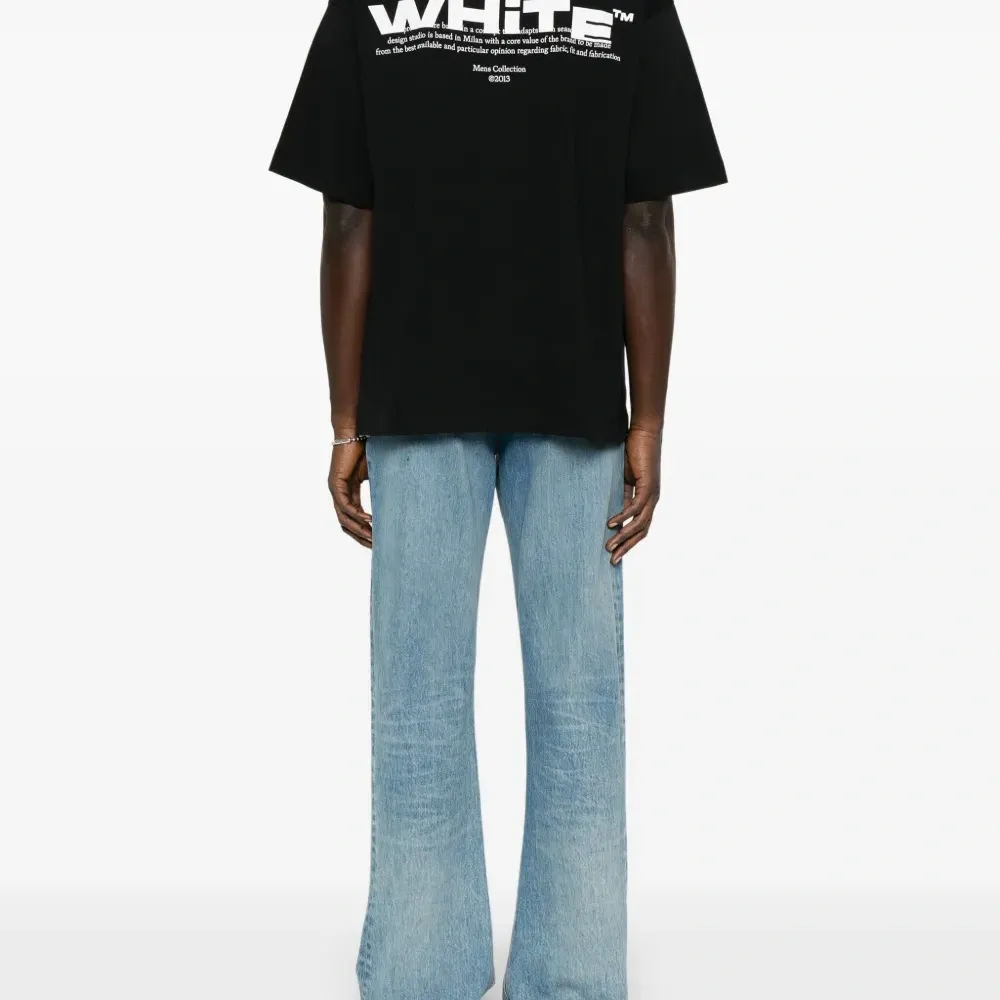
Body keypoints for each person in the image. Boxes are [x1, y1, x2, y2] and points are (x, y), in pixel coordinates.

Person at [268, 0, 725, 995]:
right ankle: (573, 975)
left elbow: (348, 217)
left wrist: (346, 421)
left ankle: (423, 970)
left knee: (418, 698)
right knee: (579, 701)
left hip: (413, 394)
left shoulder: (372, 7)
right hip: (576, 397)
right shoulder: (629, 7)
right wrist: (647, 421)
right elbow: (645, 217)